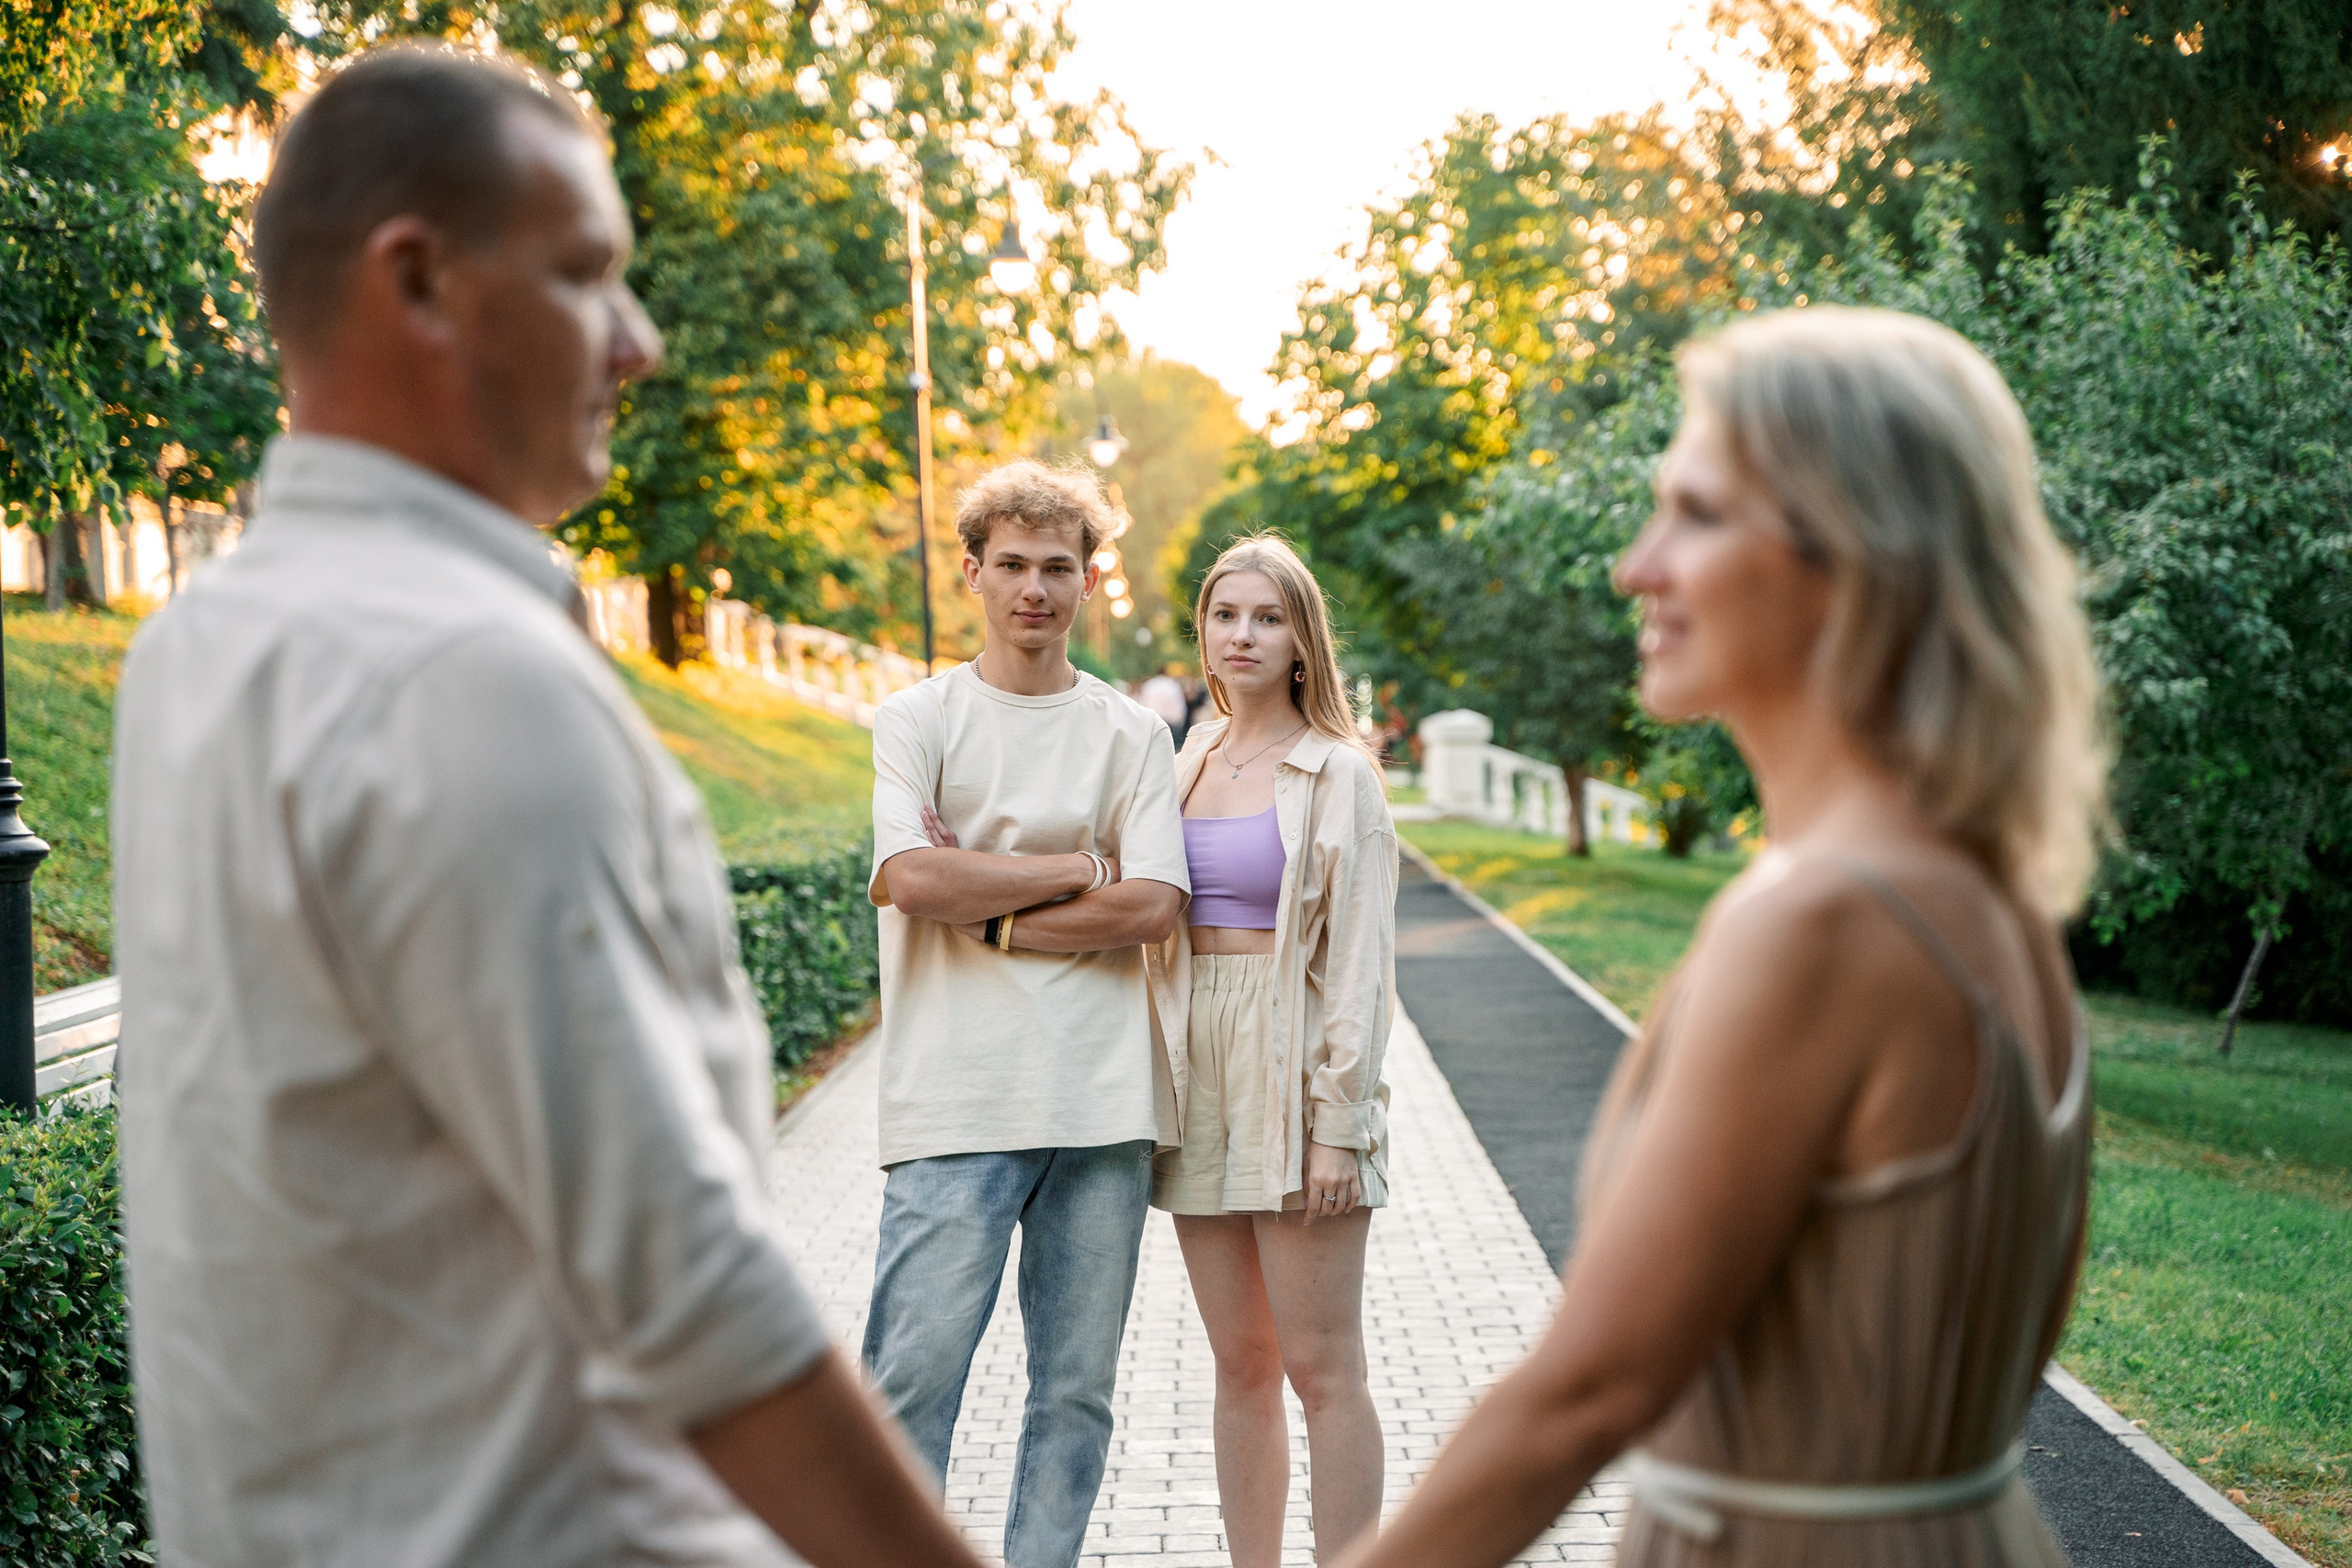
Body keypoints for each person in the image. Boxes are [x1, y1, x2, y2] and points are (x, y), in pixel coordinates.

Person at [110, 47, 983, 1568]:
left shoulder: (199, 645)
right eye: (584, 273)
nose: (639, 343)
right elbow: (690, 1285)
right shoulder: (463, 679)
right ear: (419, 281)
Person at [1337, 305, 2107, 1568]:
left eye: (1695, 514)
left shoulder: (1824, 920)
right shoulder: (1991, 889)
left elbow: (1588, 1392)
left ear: (1854, 555)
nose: (1634, 566)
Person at [865, 458, 1191, 1568]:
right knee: (910, 1385)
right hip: (953, 1102)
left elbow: (1152, 906)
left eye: (1058, 567)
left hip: (1102, 1106)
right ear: (972, 572)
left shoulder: (1131, 735)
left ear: (1090, 581)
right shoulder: (917, 718)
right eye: (1011, 565)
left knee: (1075, 1397)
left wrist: (994, 913)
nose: (1034, 589)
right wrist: (1080, 866)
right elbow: (913, 880)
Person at [1149, 536, 1396, 1566]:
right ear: (1203, 630)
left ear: (1303, 640)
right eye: (1224, 614)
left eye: (1266, 617)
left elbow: (1361, 967)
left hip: (1292, 1068)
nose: (1241, 635)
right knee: (1239, 1365)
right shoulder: (1186, 758)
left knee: (1322, 1370)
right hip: (1195, 1071)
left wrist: (1339, 1126)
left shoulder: (1337, 773)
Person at [1139, 662, 1192, 749]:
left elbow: (1143, 702)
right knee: (1173, 748)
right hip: (1170, 721)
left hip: (1153, 720)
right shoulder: (1173, 685)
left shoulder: (1149, 685)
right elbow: (1178, 704)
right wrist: (1180, 720)